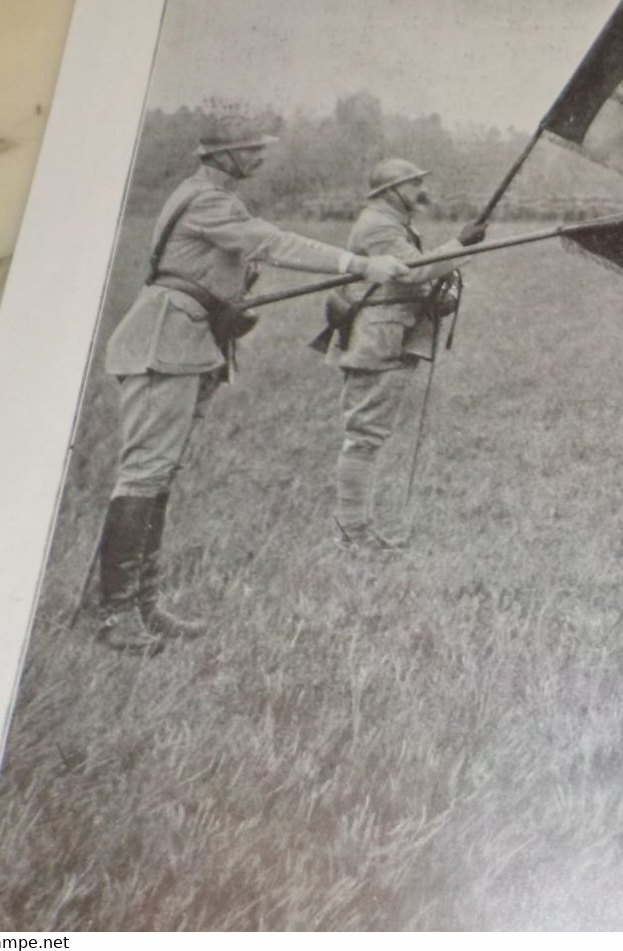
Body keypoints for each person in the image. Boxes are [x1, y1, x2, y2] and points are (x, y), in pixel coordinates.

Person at [90, 116, 412, 654]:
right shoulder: (206, 200)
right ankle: (114, 614)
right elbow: (271, 242)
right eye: (252, 151)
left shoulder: (208, 197)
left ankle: (142, 603)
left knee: (160, 471)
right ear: (225, 155)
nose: (260, 158)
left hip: (187, 338)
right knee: (145, 472)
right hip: (163, 340)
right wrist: (357, 263)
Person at [324, 157, 485, 552]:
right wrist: (460, 245)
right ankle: (352, 533)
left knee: (367, 434)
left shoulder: (393, 222)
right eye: (414, 184)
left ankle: (354, 530)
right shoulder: (378, 224)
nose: (421, 190)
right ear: (391, 190)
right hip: (379, 339)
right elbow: (410, 271)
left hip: (389, 335)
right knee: (364, 435)